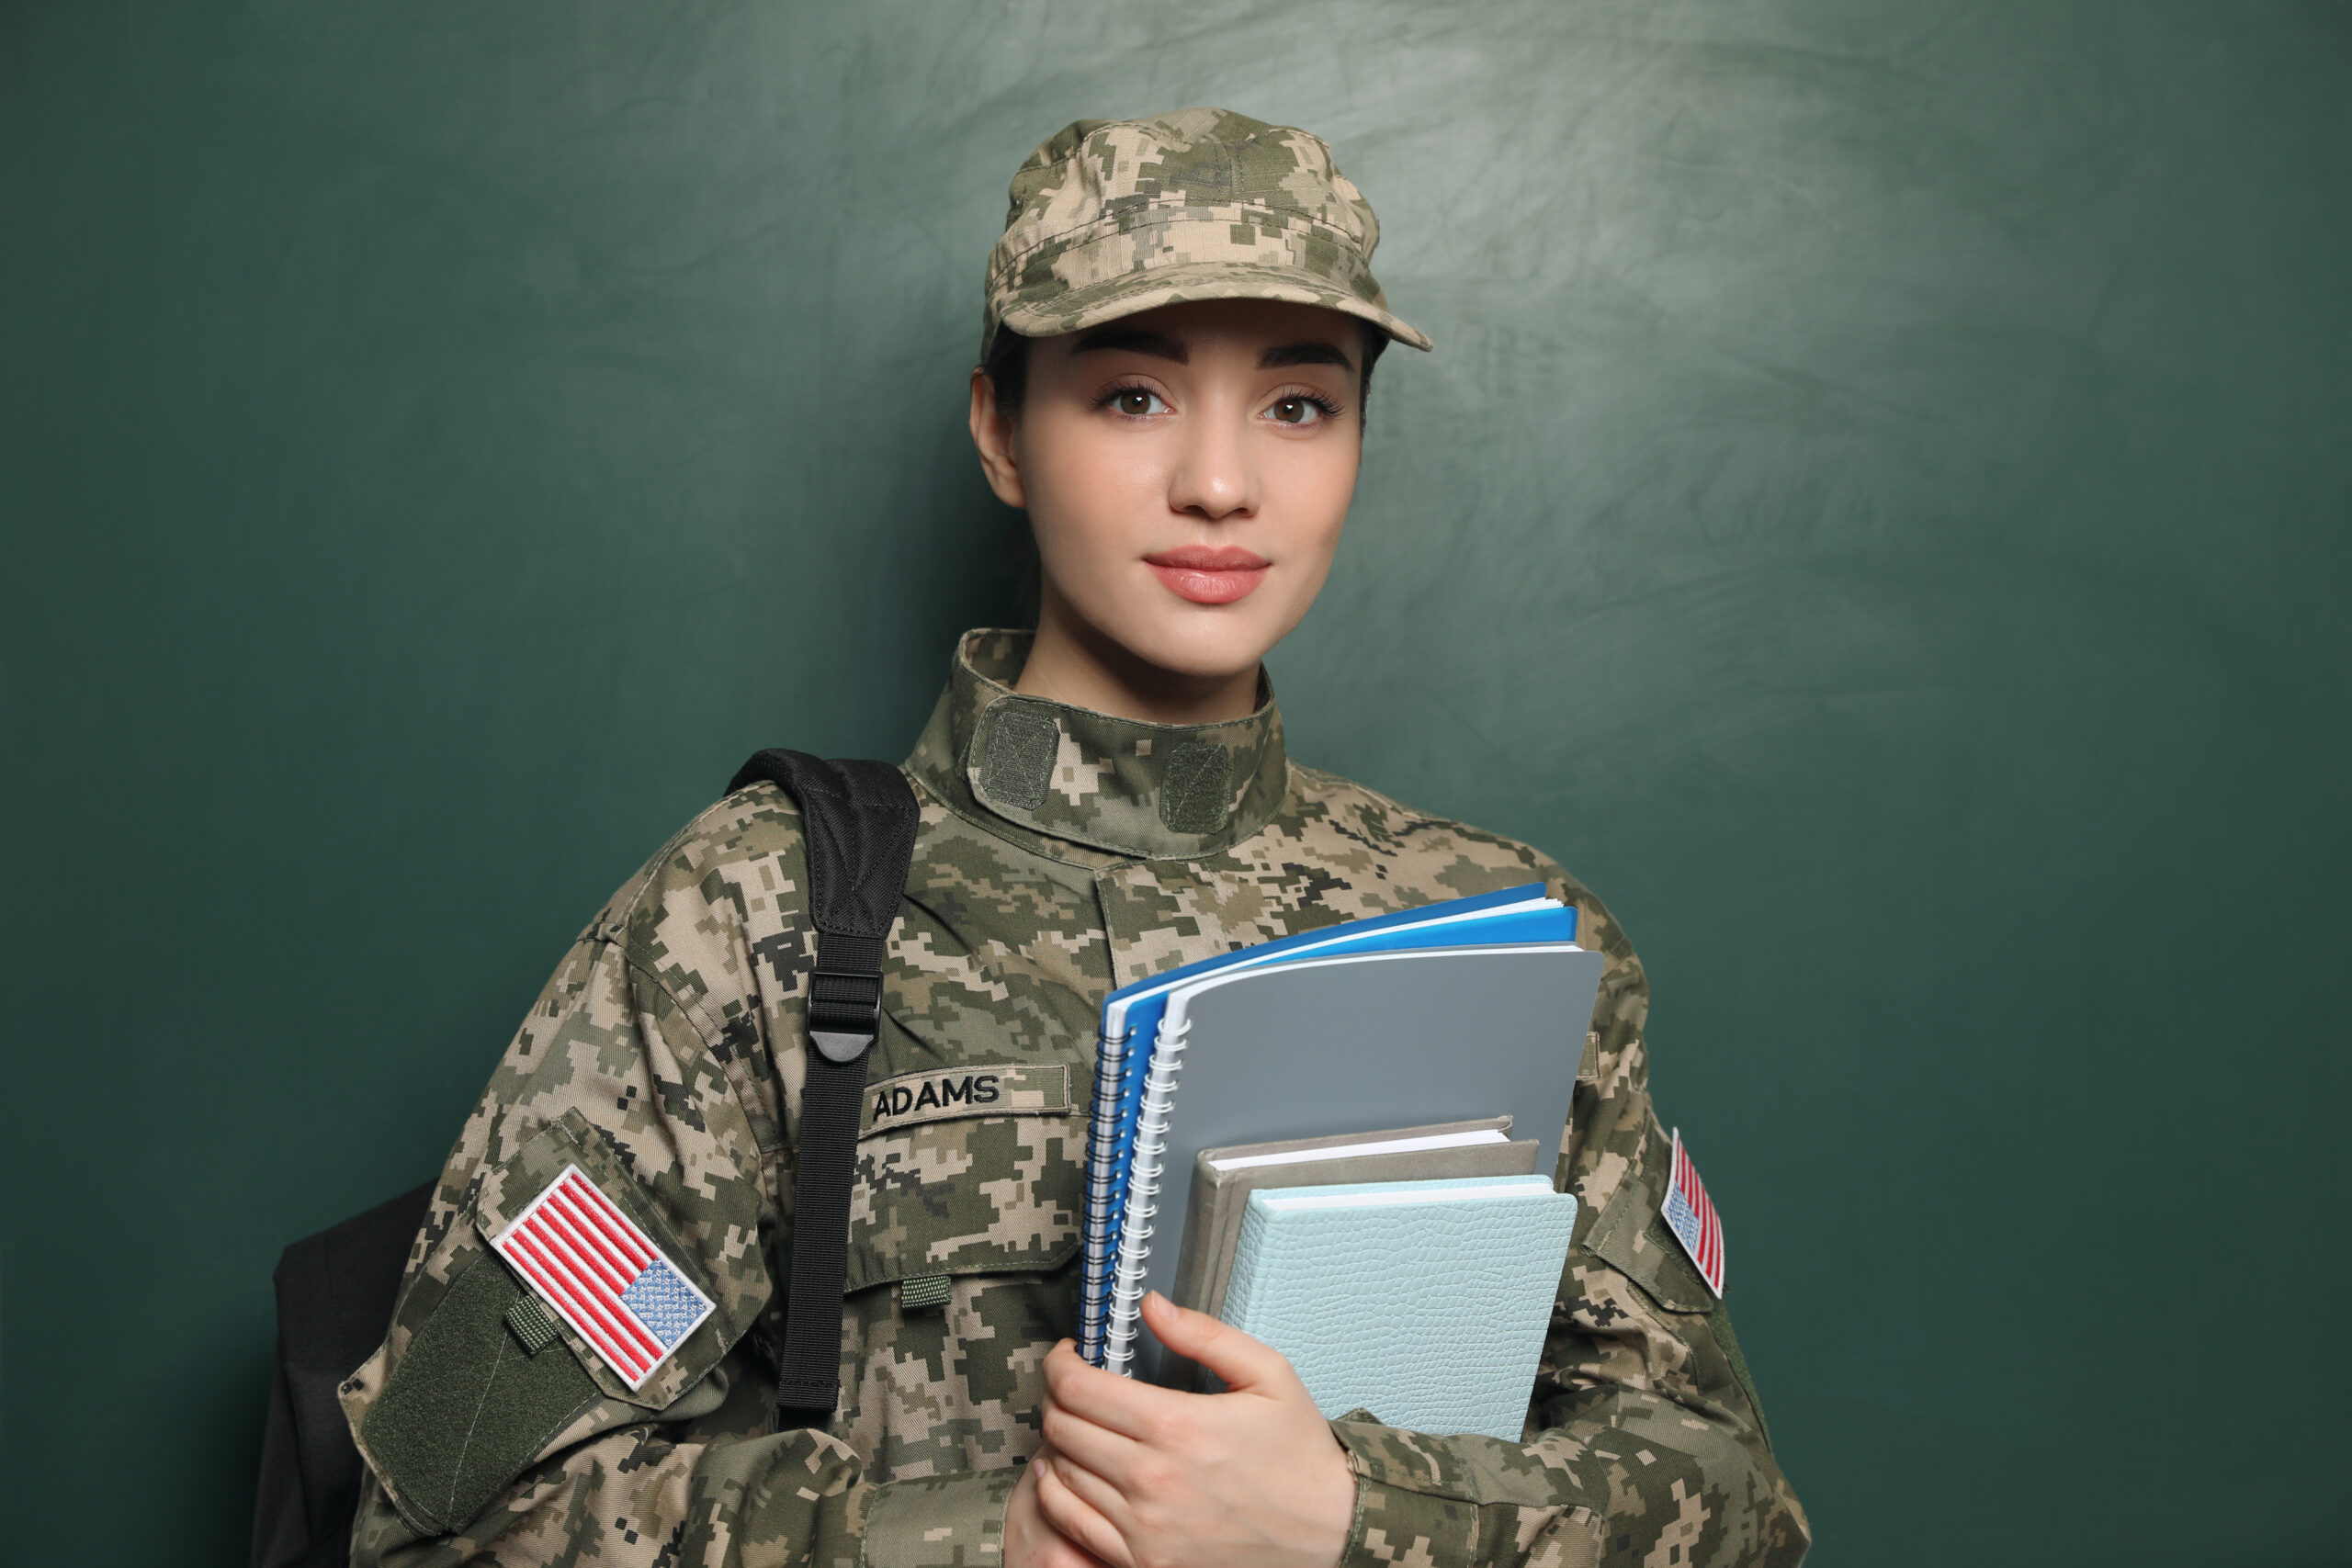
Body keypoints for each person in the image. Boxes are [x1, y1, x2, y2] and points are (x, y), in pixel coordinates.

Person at [340, 107, 1810, 1568]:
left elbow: (1733, 1501)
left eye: (1298, 405)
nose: (1223, 483)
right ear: (1001, 431)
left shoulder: (1513, 939)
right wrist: (1000, 1543)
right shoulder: (753, 918)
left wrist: (1356, 1517)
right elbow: (448, 1522)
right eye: (1131, 397)